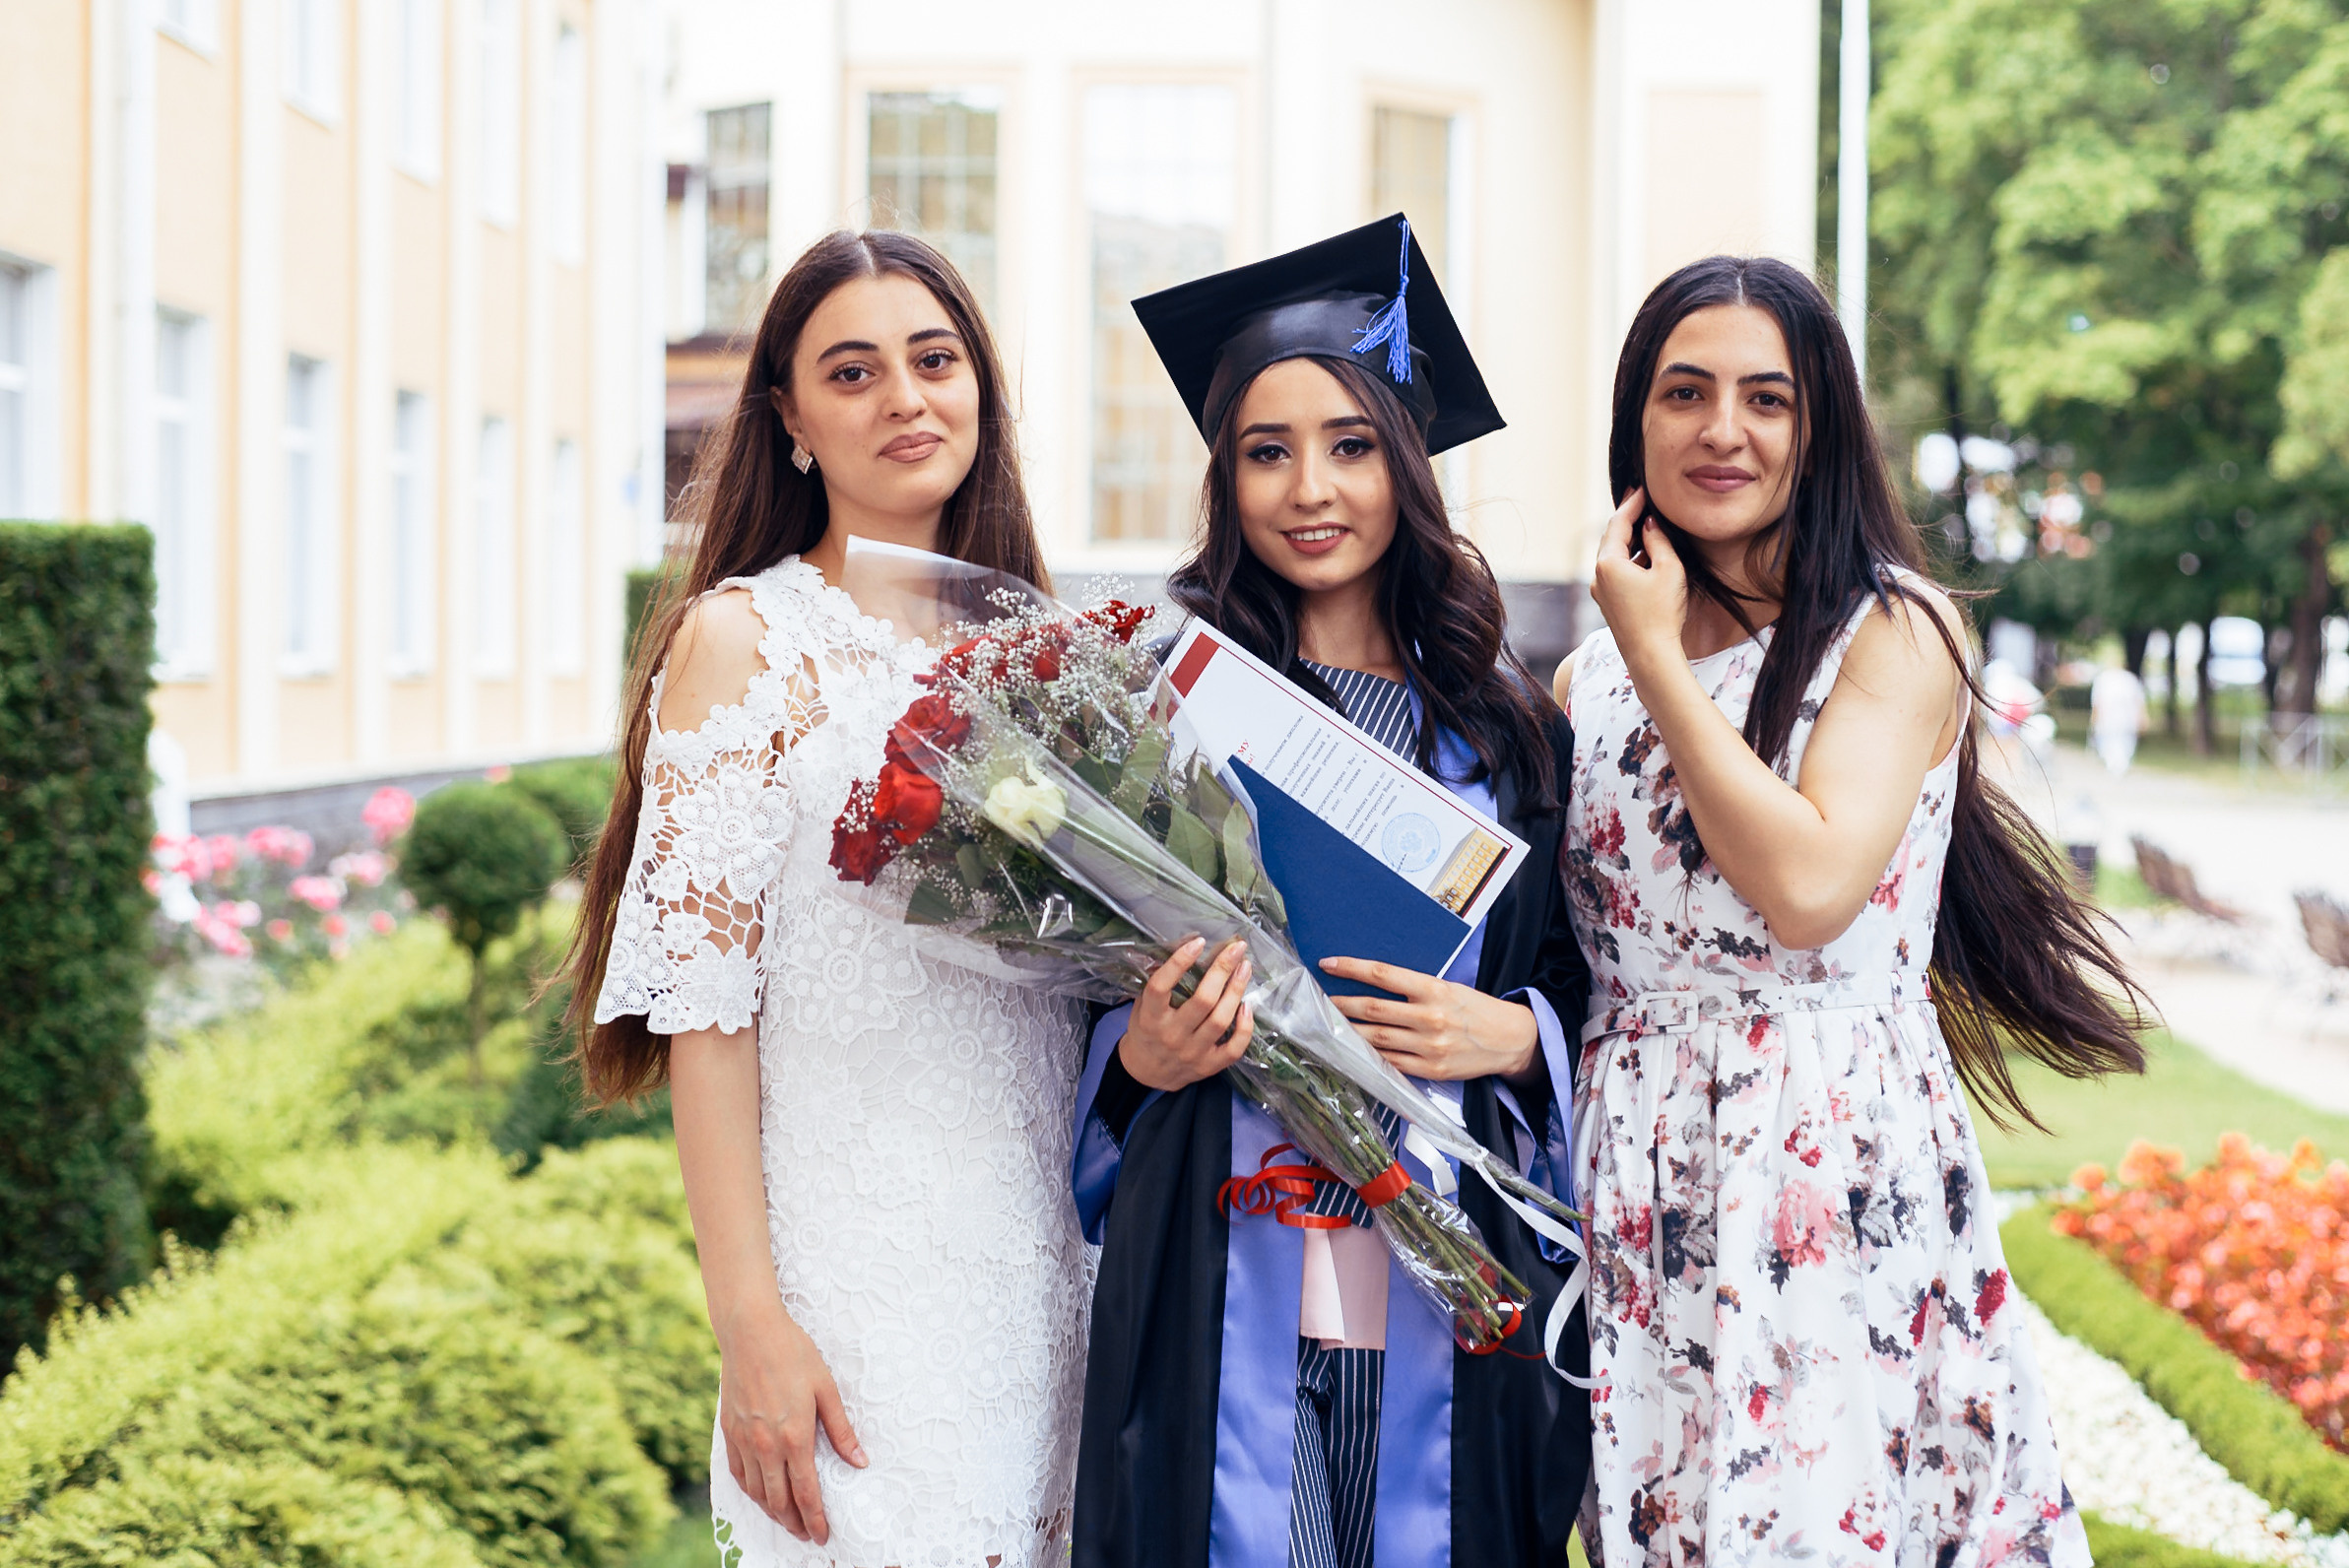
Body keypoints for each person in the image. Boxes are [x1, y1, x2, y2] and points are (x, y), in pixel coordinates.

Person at [1554, 256, 2145, 1566]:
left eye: (1767, 398)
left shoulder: (1890, 632)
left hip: (1820, 1161)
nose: (1723, 430)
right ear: (1633, 422)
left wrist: (1655, 655)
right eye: (1685, 392)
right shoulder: (1582, 677)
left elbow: (1810, 887)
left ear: (1817, 426)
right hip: (1638, 1178)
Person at [561, 230, 1089, 1568]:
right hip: (854, 1292)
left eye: (934, 359)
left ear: (980, 386)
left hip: (1049, 1277)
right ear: (791, 420)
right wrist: (752, 1326)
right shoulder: (747, 641)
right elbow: (704, 1011)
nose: (904, 398)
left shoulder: (1044, 659)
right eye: (852, 373)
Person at [1071, 215, 1592, 1568]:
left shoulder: (1515, 739)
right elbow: (1075, 1025)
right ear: (1223, 479)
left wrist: (1519, 1035)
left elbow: (1600, 997)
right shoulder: (1158, 722)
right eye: (1266, 451)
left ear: (1406, 466)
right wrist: (1142, 1051)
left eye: (1350, 445)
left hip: (1446, 1291)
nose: (1311, 487)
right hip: (1215, 1273)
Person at [2090, 661, 2147, 774]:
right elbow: (2139, 701)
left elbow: (2097, 702)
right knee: (2121, 745)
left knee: (2112, 745)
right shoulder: (2130, 679)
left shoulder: (2103, 679)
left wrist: (2094, 719)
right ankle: (2118, 766)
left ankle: (2116, 766)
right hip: (2123, 720)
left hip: (2113, 720)